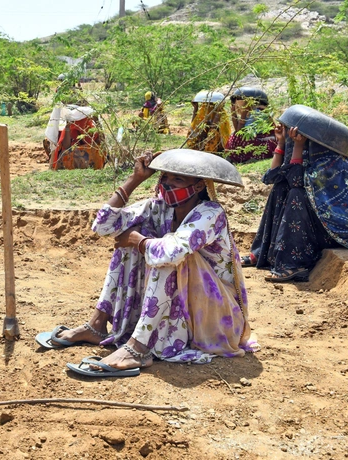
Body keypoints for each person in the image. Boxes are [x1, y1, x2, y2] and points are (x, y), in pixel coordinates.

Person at [36, 149, 258, 377]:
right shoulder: (160, 208)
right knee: (135, 240)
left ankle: (138, 349)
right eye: (165, 177)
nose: (168, 184)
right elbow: (103, 226)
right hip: (185, 308)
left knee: (161, 252)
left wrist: (138, 241)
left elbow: (171, 253)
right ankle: (97, 325)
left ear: (200, 186)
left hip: (215, 317)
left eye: (177, 179)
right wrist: (136, 179)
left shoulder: (211, 213)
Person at [242, 105, 348, 282]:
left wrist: (298, 147)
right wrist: (281, 143)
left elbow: (297, 182)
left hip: (337, 229)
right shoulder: (306, 155)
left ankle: (295, 265)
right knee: (280, 187)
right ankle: (262, 252)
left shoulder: (331, 164)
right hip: (317, 223)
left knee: (296, 195)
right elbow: (273, 177)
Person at [43, 105, 105, 170]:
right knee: (67, 153)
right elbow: (66, 146)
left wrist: (97, 122)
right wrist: (67, 127)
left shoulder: (90, 127)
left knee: (96, 149)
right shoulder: (71, 127)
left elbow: (101, 142)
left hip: (91, 161)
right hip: (74, 161)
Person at [224, 87, 276, 164]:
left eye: (239, 99)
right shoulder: (250, 112)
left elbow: (240, 132)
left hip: (261, 140)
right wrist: (233, 113)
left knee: (236, 138)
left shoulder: (257, 112)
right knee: (235, 136)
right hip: (252, 138)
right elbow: (237, 130)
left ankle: (246, 157)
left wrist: (243, 114)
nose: (236, 102)